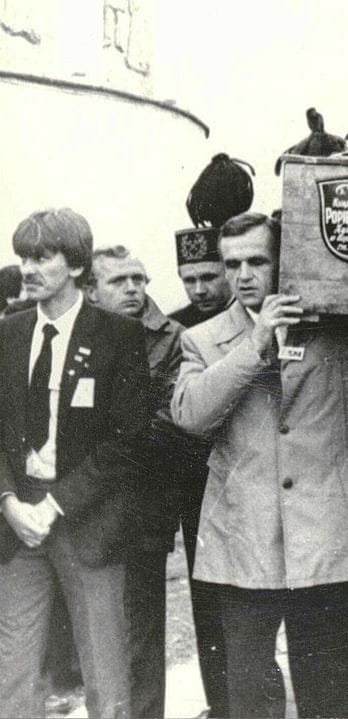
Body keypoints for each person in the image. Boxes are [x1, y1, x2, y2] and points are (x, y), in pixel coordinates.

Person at [172, 212, 348, 718]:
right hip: (243, 544)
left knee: (339, 696)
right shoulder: (203, 338)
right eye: (232, 264)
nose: (243, 275)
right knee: (250, 699)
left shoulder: (344, 331)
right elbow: (191, 414)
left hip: (334, 541)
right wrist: (256, 345)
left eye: (257, 261)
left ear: (285, 260)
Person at [0, 208, 151, 719]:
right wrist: (8, 502)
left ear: (77, 264)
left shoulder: (118, 336)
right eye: (24, 256)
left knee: (106, 678)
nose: (28, 267)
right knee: (13, 674)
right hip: (19, 527)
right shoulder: (8, 334)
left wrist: (56, 505)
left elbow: (127, 440)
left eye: (42, 257)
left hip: (87, 525)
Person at [87, 245, 185, 718]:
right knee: (94, 639)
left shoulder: (172, 340)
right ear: (91, 290)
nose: (133, 288)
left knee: (141, 636)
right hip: (82, 510)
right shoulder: (77, 337)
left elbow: (166, 423)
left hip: (141, 510)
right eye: (119, 281)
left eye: (139, 278)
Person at [168, 225, 233, 717]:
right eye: (188, 279)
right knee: (210, 607)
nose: (199, 290)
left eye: (209, 276)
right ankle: (222, 704)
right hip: (200, 488)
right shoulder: (178, 331)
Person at [168, 226, 233, 327]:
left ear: (230, 273)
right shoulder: (174, 327)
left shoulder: (255, 315)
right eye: (190, 280)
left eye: (208, 278)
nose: (199, 291)